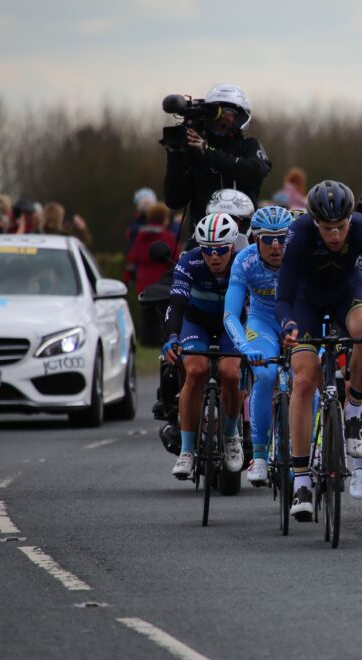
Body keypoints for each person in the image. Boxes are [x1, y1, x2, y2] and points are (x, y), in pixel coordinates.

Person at [275, 180, 362, 518]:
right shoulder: (299, 233)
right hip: (306, 301)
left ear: (350, 219)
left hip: (347, 294)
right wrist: (288, 325)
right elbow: (284, 296)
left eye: (341, 227)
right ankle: (301, 481)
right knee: (303, 381)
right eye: (327, 228)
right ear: (315, 222)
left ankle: (353, 411)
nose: (335, 235)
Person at [162, 213, 245, 480]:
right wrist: (172, 337)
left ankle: (231, 435)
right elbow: (176, 305)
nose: (214, 257)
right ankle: (187, 450)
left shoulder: (243, 262)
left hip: (231, 323)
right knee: (195, 371)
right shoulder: (190, 261)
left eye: (221, 250)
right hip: (196, 322)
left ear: (232, 246)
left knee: (231, 374)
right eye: (208, 250)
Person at [223, 205, 294, 486]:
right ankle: (261, 455)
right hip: (261, 322)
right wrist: (244, 347)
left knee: (307, 383)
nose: (276, 245)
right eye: (268, 239)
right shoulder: (245, 260)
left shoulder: (300, 258)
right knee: (264, 375)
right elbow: (231, 313)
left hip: (298, 320)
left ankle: (306, 452)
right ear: (255, 239)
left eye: (282, 238)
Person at [163, 84, 271, 238]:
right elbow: (175, 201)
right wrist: (175, 156)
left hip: (243, 238)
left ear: (241, 117)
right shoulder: (194, 150)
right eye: (216, 113)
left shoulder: (249, 146)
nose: (221, 118)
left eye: (228, 112)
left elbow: (255, 172)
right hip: (203, 238)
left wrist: (208, 153)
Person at [123, 202, 178, 346]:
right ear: (163, 218)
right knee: (162, 314)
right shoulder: (166, 236)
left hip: (143, 281)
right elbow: (175, 257)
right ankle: (159, 340)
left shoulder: (140, 236)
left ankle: (147, 341)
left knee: (147, 314)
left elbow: (133, 256)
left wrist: (128, 277)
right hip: (161, 282)